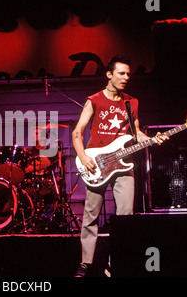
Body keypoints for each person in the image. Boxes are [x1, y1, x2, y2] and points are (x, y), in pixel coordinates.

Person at [72, 56, 168, 276]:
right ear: (109, 74)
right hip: (97, 163)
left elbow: (136, 134)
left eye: (128, 74)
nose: (126, 78)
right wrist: (84, 156)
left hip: (124, 165)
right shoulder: (94, 100)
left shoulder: (131, 102)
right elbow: (77, 132)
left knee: (125, 217)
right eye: (121, 73)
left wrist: (152, 139)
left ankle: (116, 262)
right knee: (91, 215)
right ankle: (86, 263)